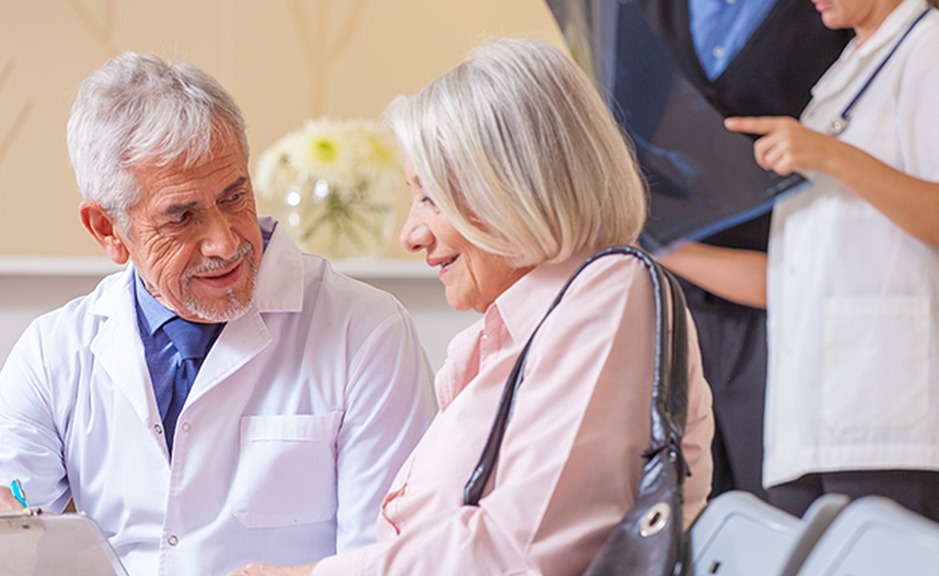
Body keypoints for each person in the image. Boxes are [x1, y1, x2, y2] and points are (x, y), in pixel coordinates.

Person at [230, 38, 715, 576]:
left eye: (430, 197)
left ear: (514, 190)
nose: (411, 234)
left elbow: (517, 551)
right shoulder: (516, 332)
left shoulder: (610, 295)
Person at [0, 52, 435, 575]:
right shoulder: (54, 352)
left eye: (234, 197)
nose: (224, 242)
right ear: (107, 230)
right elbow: (14, 531)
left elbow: (390, 564)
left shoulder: (366, 332)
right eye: (181, 217)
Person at [718, 0, 939, 527]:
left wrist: (828, 156)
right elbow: (788, 283)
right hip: (804, 429)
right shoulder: (838, 83)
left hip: (889, 420)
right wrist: (661, 245)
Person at [634, 0, 852, 500]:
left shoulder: (835, 13)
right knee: (683, 519)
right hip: (666, 305)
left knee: (784, 517)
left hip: (782, 305)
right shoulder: (637, 13)